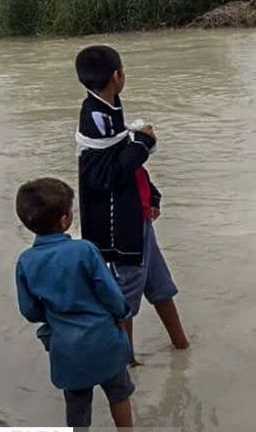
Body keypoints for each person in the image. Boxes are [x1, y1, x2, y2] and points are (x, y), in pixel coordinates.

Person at [75, 45, 189, 365]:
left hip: (135, 216)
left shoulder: (109, 110)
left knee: (160, 286)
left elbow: (125, 163)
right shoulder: (94, 119)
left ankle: (182, 348)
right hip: (119, 228)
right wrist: (143, 143)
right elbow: (106, 175)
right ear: (117, 77)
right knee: (124, 297)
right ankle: (125, 365)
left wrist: (150, 195)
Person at [14, 178, 134, 428]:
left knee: (77, 408)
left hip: (67, 350)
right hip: (104, 342)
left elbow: (29, 310)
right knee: (119, 394)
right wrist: (123, 311)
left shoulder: (26, 262)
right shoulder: (85, 250)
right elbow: (109, 293)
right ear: (65, 220)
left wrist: (50, 313)